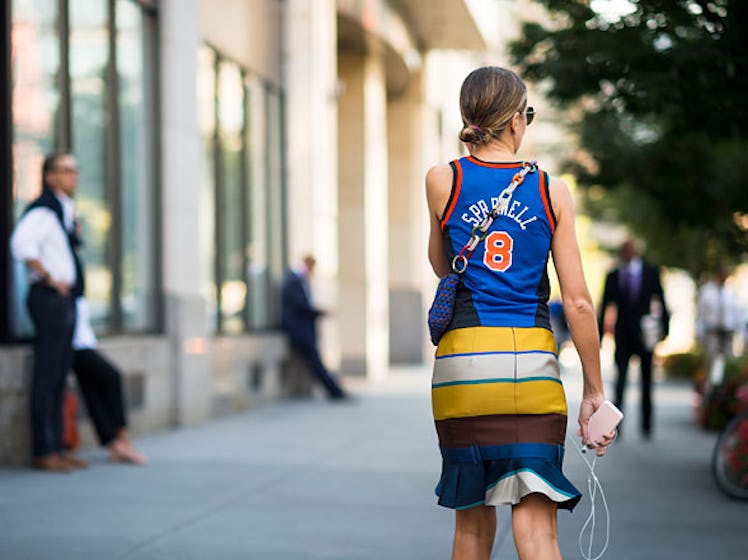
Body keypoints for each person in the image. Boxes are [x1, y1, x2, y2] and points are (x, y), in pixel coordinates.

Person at [425, 66, 612, 560]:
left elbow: (443, 265)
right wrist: (593, 389)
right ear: (514, 122)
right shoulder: (552, 191)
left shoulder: (443, 179)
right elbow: (577, 301)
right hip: (532, 367)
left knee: (471, 529)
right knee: (538, 535)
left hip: (462, 368)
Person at [10, 152, 85, 472]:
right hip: (49, 300)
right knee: (47, 375)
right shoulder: (43, 210)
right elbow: (20, 245)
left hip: (63, 301)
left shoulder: (63, 211)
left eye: (75, 171)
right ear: (50, 176)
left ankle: (56, 445)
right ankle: (44, 449)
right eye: (66, 171)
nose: (73, 176)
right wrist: (50, 278)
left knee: (58, 376)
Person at [599, 239, 669, 439]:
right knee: (619, 381)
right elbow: (605, 306)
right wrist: (600, 336)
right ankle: (616, 428)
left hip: (645, 334)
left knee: (647, 381)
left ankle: (647, 425)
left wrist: (664, 328)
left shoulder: (650, 272)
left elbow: (662, 300)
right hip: (622, 334)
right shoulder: (613, 276)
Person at [71, 297, 148, 464]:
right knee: (112, 377)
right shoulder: (60, 287)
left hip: (84, 343)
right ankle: (122, 440)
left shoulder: (74, 290)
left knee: (91, 390)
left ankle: (114, 444)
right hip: (74, 345)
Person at [280, 255, 348, 400]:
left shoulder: (300, 281)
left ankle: (336, 389)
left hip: (304, 330)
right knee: (316, 362)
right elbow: (299, 306)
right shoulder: (293, 281)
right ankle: (335, 391)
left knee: (317, 361)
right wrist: (321, 312)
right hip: (298, 331)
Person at [696, 267, 741, 371]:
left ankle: (724, 385)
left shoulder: (730, 292)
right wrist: (699, 333)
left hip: (728, 332)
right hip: (712, 332)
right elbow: (701, 314)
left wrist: (737, 330)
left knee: (728, 362)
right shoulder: (707, 291)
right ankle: (710, 385)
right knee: (711, 362)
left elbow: (736, 312)